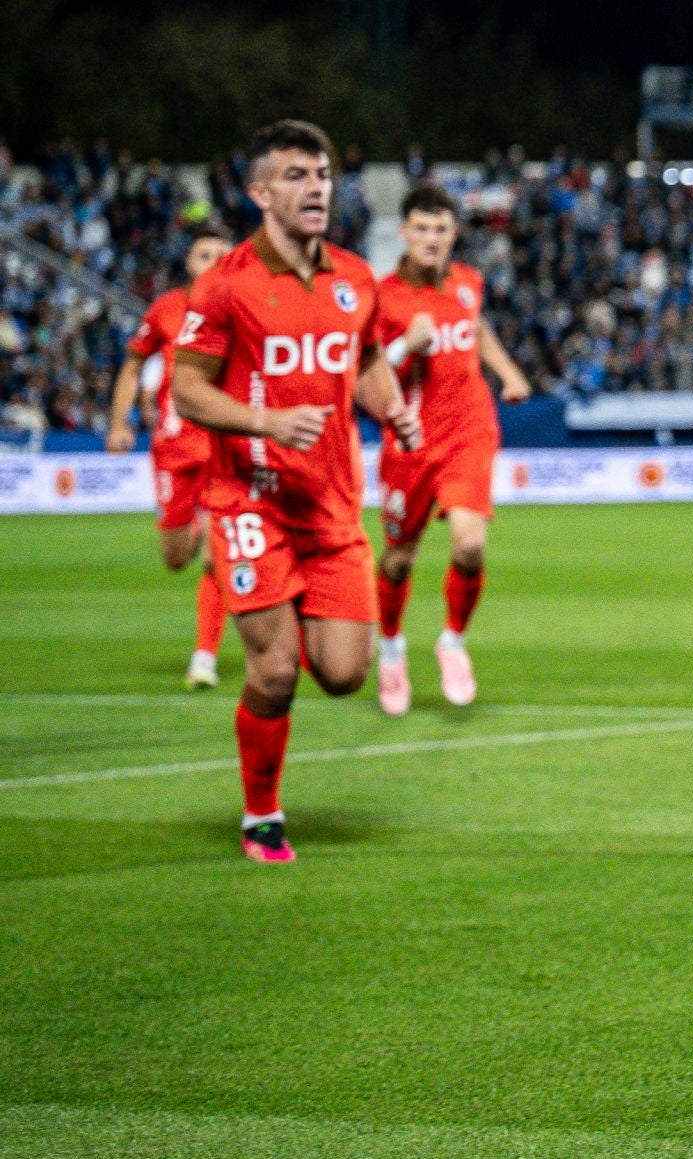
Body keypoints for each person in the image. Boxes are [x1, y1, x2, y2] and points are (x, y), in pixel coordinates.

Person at [171, 120, 422, 863]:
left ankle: (293, 620)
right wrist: (266, 422)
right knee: (276, 671)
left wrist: (392, 408)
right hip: (249, 499)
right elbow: (187, 390)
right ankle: (261, 815)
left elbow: (364, 359)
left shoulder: (355, 278)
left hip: (332, 505)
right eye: (295, 176)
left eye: (322, 175)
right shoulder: (225, 286)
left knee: (343, 673)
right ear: (259, 192)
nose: (315, 188)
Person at [371, 184, 531, 715]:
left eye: (441, 229)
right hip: (410, 441)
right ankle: (391, 649)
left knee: (469, 545)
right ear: (404, 232)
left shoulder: (468, 282)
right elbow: (363, 373)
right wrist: (403, 346)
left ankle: (453, 641)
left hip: (468, 430)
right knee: (398, 559)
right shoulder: (383, 297)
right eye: (422, 228)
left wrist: (508, 372)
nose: (431, 238)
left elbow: (476, 329)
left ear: (453, 234)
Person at [105, 226, 235, 688]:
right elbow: (134, 364)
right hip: (174, 449)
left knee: (218, 555)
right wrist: (119, 422)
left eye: (222, 254)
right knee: (176, 557)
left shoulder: (243, 309)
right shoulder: (166, 309)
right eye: (204, 254)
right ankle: (193, 526)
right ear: (188, 262)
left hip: (224, 445)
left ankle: (204, 657)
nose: (213, 261)